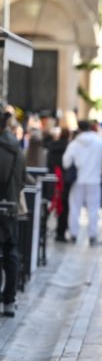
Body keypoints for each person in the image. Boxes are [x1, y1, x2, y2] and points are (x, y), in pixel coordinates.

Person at [62, 120, 102, 245]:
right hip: (94, 180)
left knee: (75, 207)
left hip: (78, 180)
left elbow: (66, 162)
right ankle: (93, 236)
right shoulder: (98, 141)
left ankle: (73, 234)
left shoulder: (74, 143)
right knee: (93, 209)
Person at [0, 112, 26, 317]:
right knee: (10, 251)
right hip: (9, 206)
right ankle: (9, 299)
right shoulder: (16, 149)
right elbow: (22, 179)